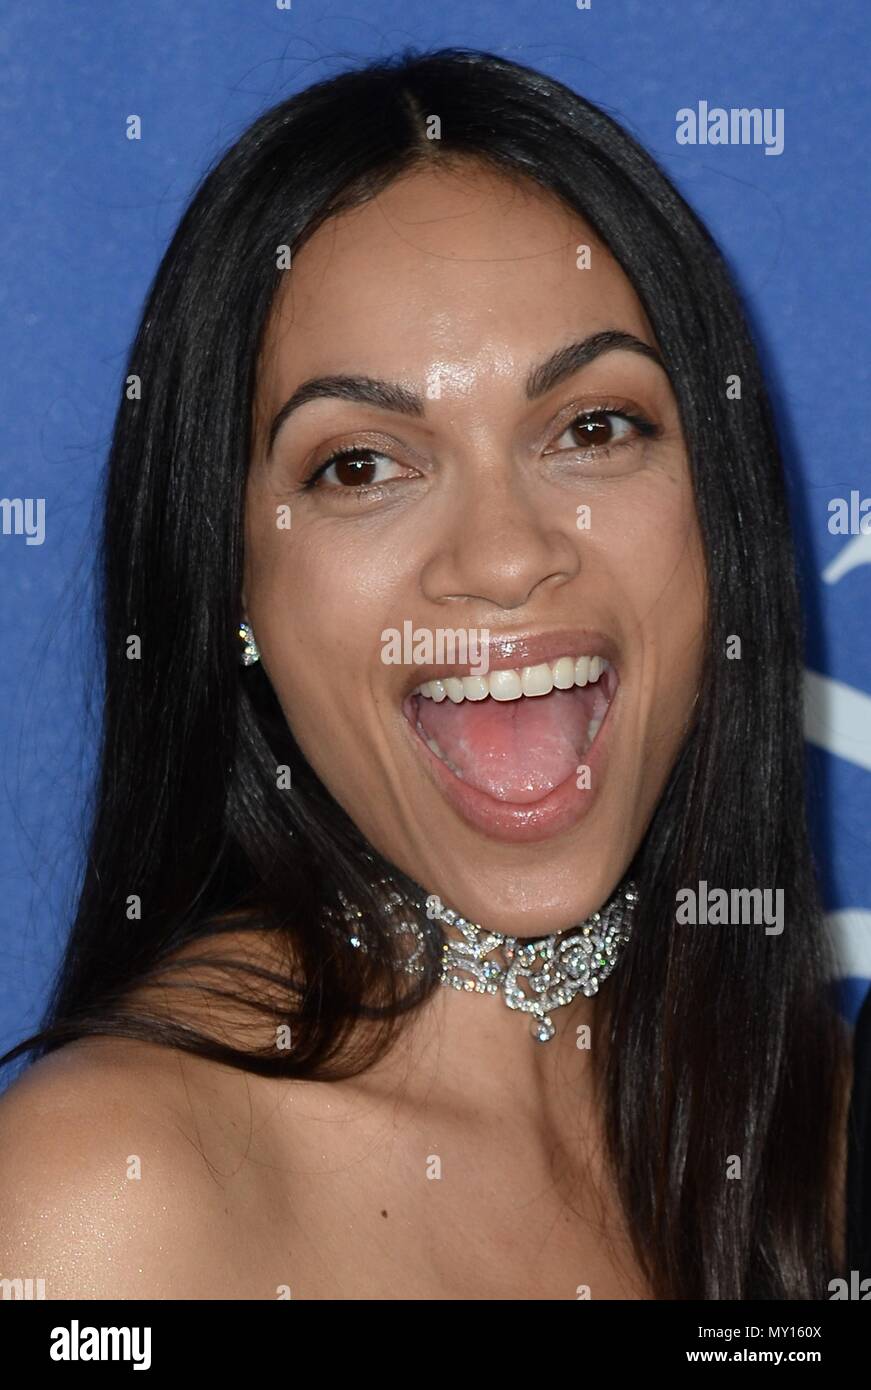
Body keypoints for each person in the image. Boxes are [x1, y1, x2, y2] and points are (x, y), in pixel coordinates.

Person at [0, 46, 862, 1301]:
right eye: (358, 466)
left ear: (719, 516)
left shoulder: (818, 1121)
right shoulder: (106, 1200)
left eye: (592, 428)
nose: (506, 559)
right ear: (230, 588)